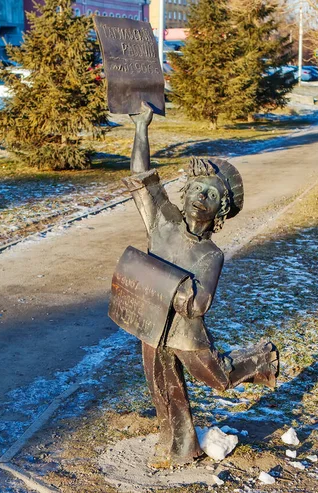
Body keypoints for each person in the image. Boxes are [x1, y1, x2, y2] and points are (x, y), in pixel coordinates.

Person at [119, 103, 279, 468]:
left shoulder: (211, 254)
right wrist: (141, 127)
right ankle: (180, 446)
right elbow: (141, 177)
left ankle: (262, 358)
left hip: (187, 334)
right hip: (152, 322)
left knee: (217, 377)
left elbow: (198, 305)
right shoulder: (162, 220)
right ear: (186, 190)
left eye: (210, 193)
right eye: (195, 188)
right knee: (162, 386)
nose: (199, 196)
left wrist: (163, 283)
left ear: (221, 209)